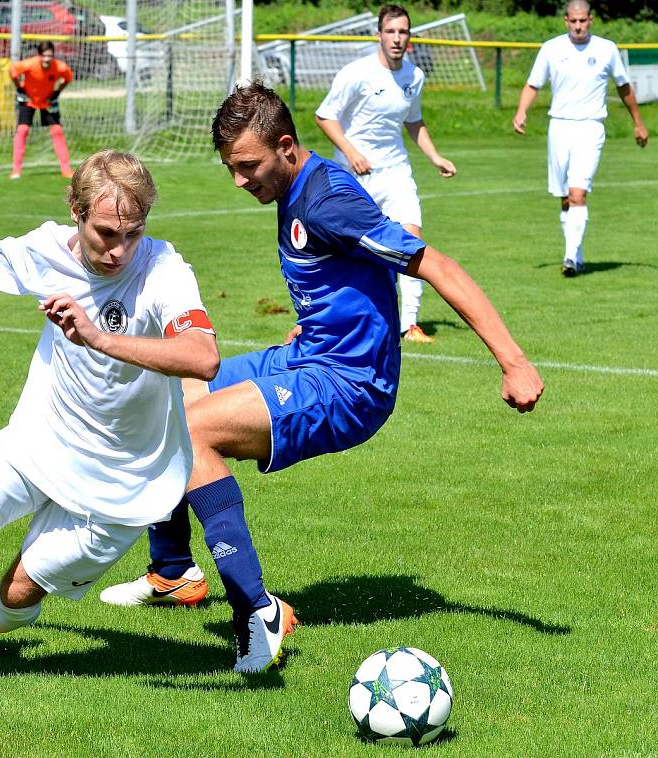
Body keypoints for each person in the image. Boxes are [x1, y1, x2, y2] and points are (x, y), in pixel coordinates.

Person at [100, 83, 544, 674]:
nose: (240, 181)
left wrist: (513, 361)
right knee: (164, 387)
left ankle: (259, 612)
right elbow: (344, 282)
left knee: (193, 429)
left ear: (285, 147)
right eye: (231, 168)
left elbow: (433, 264)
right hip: (310, 356)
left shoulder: (328, 201)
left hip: (348, 387)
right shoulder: (295, 186)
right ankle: (173, 572)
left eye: (248, 167)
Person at [0, 150, 219, 671]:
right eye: (106, 232)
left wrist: (98, 338)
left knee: (18, 591)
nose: (119, 251)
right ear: (76, 213)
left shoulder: (163, 270)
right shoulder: (47, 248)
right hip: (38, 444)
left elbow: (204, 356)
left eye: (132, 233)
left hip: (123, 483)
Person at [315, 3, 456, 344]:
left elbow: (414, 121)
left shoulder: (414, 75)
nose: (396, 38)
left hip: (396, 172)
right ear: (378, 34)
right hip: (355, 177)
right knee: (352, 254)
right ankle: (340, 320)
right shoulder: (356, 73)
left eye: (403, 32)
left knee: (411, 243)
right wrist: (351, 153)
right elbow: (324, 116)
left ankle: (409, 324)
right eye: (390, 31)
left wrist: (435, 156)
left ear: (410, 37)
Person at [512, 0, 648, 277]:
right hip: (559, 128)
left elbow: (624, 86)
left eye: (583, 21)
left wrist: (638, 123)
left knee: (577, 194)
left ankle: (570, 257)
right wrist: (521, 111)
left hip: (590, 128)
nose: (578, 26)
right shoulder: (551, 48)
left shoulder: (606, 49)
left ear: (591, 20)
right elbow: (533, 84)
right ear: (566, 20)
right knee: (564, 197)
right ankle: (577, 253)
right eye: (573, 21)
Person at [9, 41, 74, 179]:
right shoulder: (29, 64)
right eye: (44, 56)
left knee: (57, 130)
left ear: (53, 56)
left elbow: (68, 78)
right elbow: (13, 72)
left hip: (47, 101)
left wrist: (57, 92)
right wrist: (19, 88)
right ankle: (16, 170)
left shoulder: (60, 67)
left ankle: (66, 169)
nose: (46, 59)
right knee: (23, 130)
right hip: (29, 100)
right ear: (39, 56)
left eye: (49, 56)